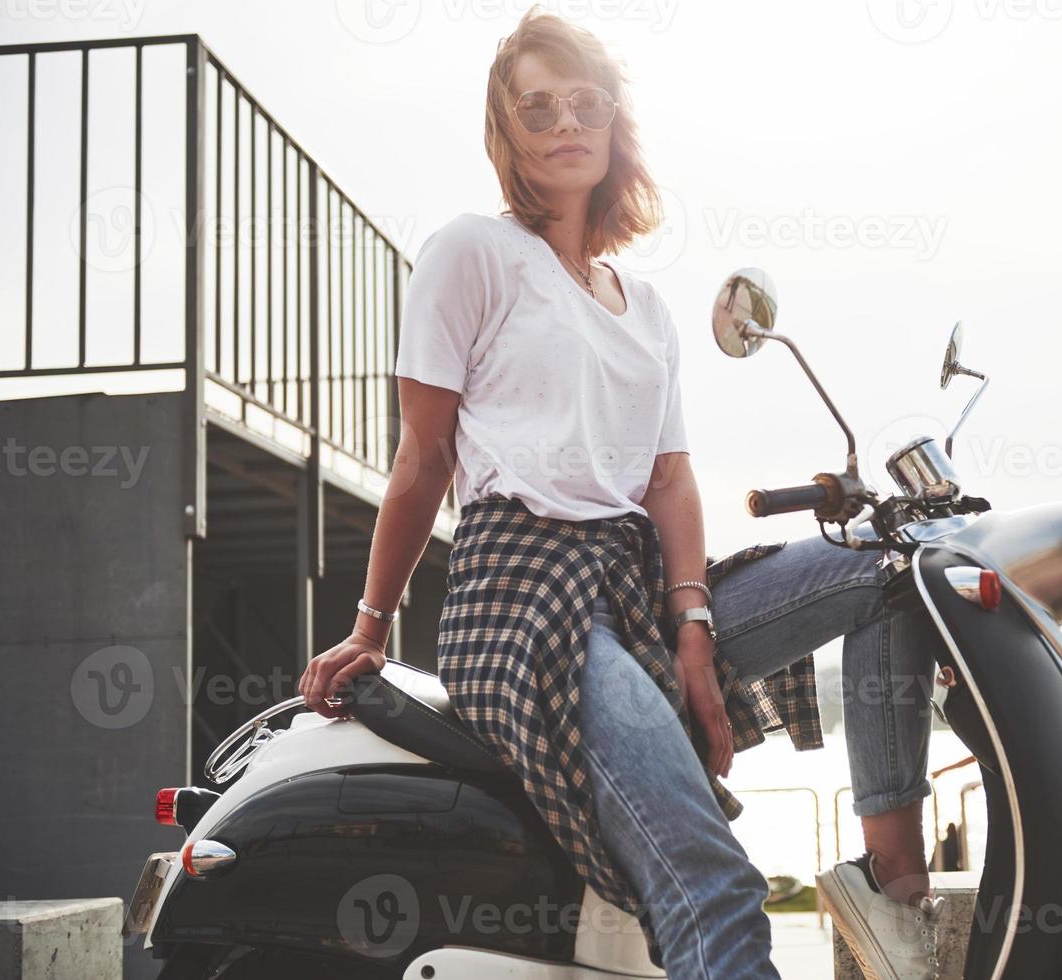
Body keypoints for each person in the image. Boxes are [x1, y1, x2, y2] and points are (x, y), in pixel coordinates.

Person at [298, 8, 944, 978]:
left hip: (634, 583)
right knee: (717, 885)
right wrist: (371, 624)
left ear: (614, 124)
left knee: (893, 569)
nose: (564, 122)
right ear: (505, 129)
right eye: (537, 106)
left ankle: (891, 882)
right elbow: (422, 459)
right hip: (521, 600)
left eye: (584, 102)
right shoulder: (470, 252)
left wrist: (691, 621)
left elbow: (670, 478)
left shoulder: (643, 304)